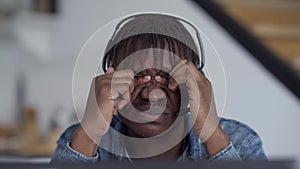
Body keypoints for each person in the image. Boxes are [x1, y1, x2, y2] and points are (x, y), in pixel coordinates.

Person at [51, 13, 267, 162]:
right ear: (111, 80)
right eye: (136, 77)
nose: (151, 96)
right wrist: (90, 133)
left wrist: (212, 135)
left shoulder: (241, 142)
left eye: (167, 78)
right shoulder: (77, 141)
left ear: (195, 85)